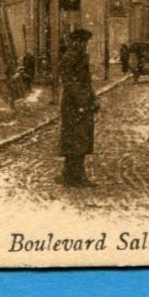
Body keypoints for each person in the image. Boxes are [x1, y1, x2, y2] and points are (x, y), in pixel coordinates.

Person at [59, 29, 99, 186]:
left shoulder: (81, 58)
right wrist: (83, 102)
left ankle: (70, 174)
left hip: (83, 104)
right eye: (80, 42)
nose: (83, 45)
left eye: (85, 42)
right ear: (74, 42)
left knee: (81, 139)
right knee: (76, 139)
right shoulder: (68, 59)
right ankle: (77, 176)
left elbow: (87, 82)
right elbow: (70, 83)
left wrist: (93, 99)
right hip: (73, 105)